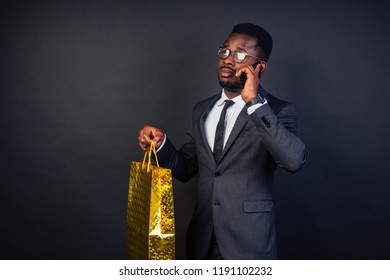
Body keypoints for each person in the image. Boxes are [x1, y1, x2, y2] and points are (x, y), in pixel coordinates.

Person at [138, 23, 307, 260]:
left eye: (240, 54)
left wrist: (255, 103)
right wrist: (162, 145)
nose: (228, 59)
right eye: (225, 51)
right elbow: (187, 168)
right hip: (201, 240)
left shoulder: (277, 111)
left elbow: (293, 161)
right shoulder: (202, 110)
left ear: (259, 67)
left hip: (249, 244)